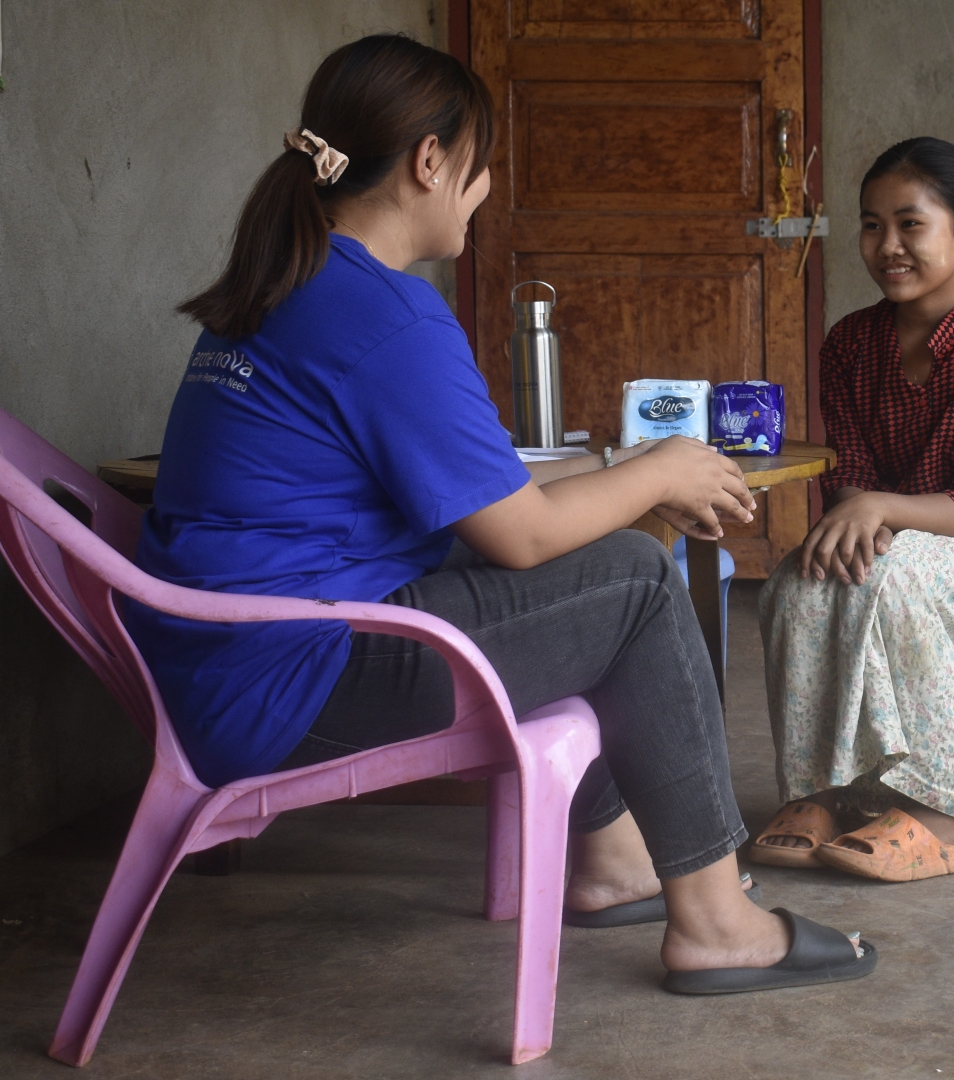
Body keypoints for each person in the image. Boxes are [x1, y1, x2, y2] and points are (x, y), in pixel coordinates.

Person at [127, 35, 874, 994]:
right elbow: (520, 535)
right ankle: (720, 924)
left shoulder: (289, 285)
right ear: (430, 162)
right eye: (479, 169)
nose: (481, 193)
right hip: (288, 683)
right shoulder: (386, 313)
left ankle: (611, 865)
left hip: (217, 665)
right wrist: (658, 471)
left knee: (582, 582)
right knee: (637, 582)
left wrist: (633, 483)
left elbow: (482, 526)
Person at [751, 137, 954, 883]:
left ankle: (948, 817)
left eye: (910, 224)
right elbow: (849, 476)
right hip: (888, 542)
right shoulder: (850, 344)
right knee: (797, 581)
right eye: (870, 225)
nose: (887, 246)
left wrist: (879, 511)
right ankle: (822, 793)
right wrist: (863, 516)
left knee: (900, 575)